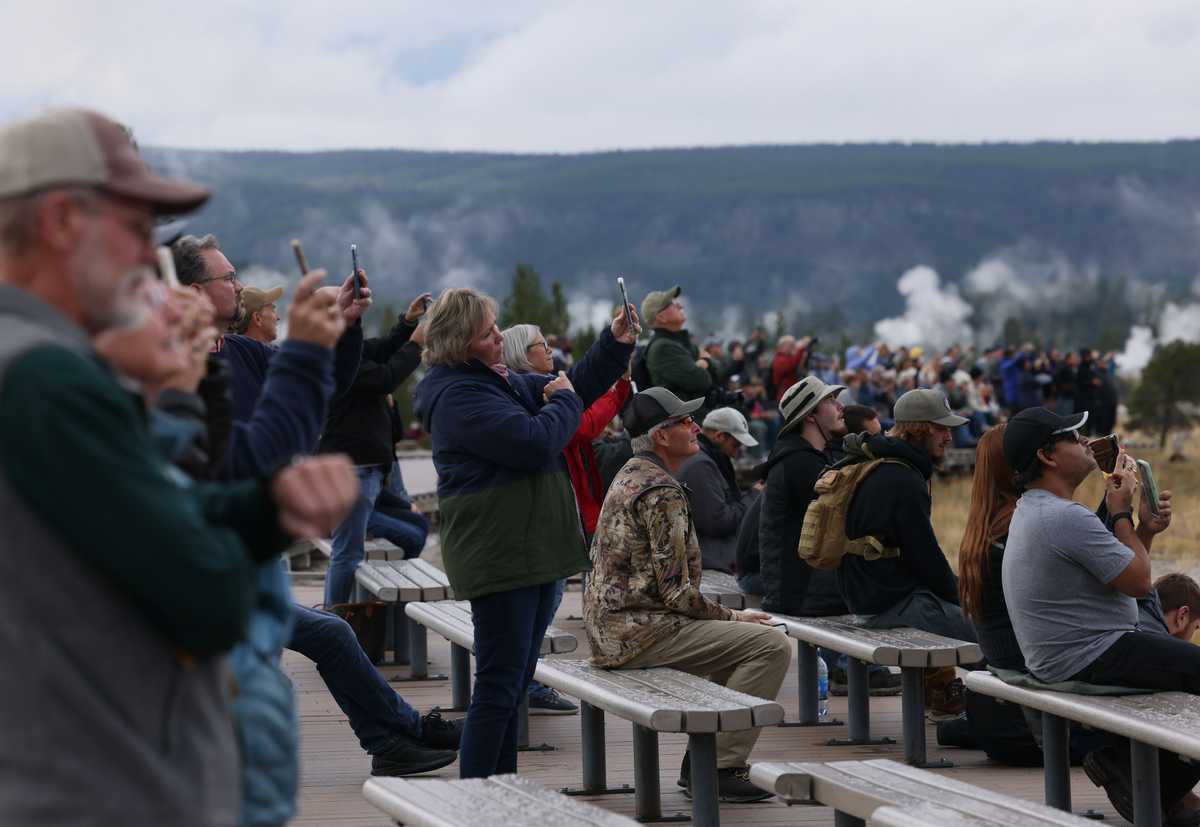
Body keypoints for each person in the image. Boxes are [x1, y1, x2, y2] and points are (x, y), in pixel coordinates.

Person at [0, 107, 356, 826]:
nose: (149, 259)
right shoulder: (42, 376)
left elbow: (148, 521)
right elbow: (205, 597)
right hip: (98, 786)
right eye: (137, 228)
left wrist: (268, 507)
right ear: (63, 218)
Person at [173, 239, 460, 805]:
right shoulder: (177, 372)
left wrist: (348, 328)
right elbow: (252, 454)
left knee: (327, 635)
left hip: (249, 551)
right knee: (285, 671)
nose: (237, 284)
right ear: (193, 292)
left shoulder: (239, 352)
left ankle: (392, 736)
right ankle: (393, 734)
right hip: (210, 570)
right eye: (227, 276)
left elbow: (328, 383)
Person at [414, 287, 638, 778]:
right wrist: (563, 402)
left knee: (512, 684)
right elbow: (535, 442)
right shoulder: (459, 395)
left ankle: (501, 789)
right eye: (489, 331)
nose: (499, 336)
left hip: (525, 549)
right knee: (497, 687)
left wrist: (613, 345)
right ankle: (477, 798)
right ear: (462, 343)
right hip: (501, 552)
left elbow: (567, 384)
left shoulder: (489, 380)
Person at [585, 387, 791, 803]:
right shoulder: (662, 492)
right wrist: (734, 617)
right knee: (771, 645)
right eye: (684, 421)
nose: (695, 426)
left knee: (736, 644)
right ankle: (719, 766)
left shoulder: (630, 474)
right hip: (638, 634)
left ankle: (704, 759)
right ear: (661, 436)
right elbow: (678, 593)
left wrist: (724, 622)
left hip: (613, 629)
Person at [1000, 406, 1200, 823]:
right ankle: (1145, 777)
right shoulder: (1064, 516)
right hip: (1092, 653)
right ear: (1047, 456)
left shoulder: (1035, 509)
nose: (1087, 442)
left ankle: (1151, 780)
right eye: (1073, 437)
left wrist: (1142, 529)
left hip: (1069, 653)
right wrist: (1123, 512)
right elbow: (1141, 584)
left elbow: (1120, 574)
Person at [500, 321, 633, 715]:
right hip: (546, 518)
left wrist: (614, 355)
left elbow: (581, 395)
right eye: (543, 346)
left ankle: (525, 682)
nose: (551, 353)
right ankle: (524, 685)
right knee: (543, 600)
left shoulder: (541, 388)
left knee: (548, 599)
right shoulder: (532, 394)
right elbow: (583, 426)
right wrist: (620, 392)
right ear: (524, 356)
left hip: (558, 510)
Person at [835, 388, 976, 715]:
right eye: (942, 429)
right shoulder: (902, 478)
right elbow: (926, 560)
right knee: (993, 632)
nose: (950, 437)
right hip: (888, 605)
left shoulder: (879, 462)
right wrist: (967, 598)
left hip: (864, 597)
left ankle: (943, 697)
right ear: (921, 429)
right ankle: (1011, 718)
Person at [321, 291, 430, 607]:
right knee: (347, 553)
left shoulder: (349, 349)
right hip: (352, 471)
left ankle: (362, 620)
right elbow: (386, 376)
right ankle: (335, 626)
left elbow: (381, 349)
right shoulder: (333, 357)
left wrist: (408, 321)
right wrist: (416, 344)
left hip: (366, 471)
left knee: (412, 533)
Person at [677, 406, 759, 573]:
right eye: (736, 445)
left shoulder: (709, 459)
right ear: (720, 436)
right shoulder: (701, 465)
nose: (737, 453)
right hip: (709, 554)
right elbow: (718, 523)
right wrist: (754, 496)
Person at [640, 285, 714, 401]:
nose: (680, 306)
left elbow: (718, 371)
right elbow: (700, 381)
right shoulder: (663, 348)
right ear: (661, 317)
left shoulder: (679, 342)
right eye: (673, 304)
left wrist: (701, 364)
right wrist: (705, 361)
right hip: (685, 416)